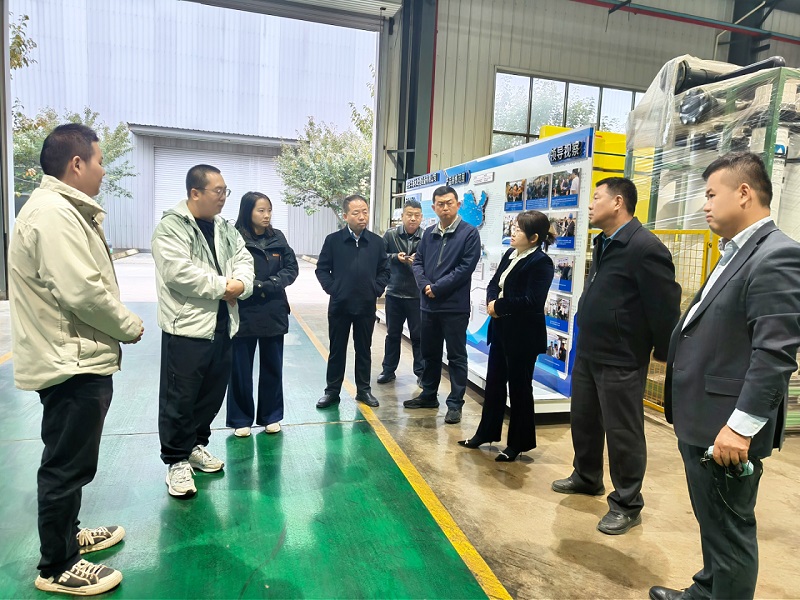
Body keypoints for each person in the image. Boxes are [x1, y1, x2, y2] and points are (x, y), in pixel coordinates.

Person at [649, 152, 800, 600]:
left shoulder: (776, 255)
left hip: (727, 427)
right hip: (706, 417)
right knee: (713, 522)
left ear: (745, 193)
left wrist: (741, 427)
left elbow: (775, 354)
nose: (705, 204)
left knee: (731, 533)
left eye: (712, 194)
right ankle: (706, 590)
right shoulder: (737, 251)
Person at [8, 124, 144, 596]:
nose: (104, 171)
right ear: (77, 164)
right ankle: (57, 565)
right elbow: (83, 292)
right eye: (100, 161)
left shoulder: (60, 209)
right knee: (66, 465)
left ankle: (69, 535)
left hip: (73, 355)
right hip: (70, 359)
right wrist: (128, 325)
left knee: (72, 458)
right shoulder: (54, 214)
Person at [551, 177, 681, 535]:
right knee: (584, 420)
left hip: (622, 356)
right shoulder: (605, 241)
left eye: (597, 197)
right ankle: (587, 476)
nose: (590, 204)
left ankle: (627, 503)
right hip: (590, 350)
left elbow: (665, 306)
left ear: (618, 202)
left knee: (623, 432)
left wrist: (663, 351)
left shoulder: (645, 247)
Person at [152, 164, 254, 498]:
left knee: (211, 394)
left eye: (226, 191)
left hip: (223, 324)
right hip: (187, 327)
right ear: (195, 193)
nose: (223, 197)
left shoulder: (225, 228)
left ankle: (195, 446)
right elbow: (178, 273)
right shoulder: (172, 227)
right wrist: (226, 286)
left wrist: (242, 284)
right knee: (180, 398)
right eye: (218, 191)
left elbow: (244, 259)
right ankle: (176, 461)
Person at [458, 211, 555, 461]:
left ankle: (518, 444)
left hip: (523, 336)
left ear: (534, 238)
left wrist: (499, 307)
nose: (513, 232)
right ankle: (486, 433)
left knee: (520, 389)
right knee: (494, 385)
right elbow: (494, 283)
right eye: (513, 227)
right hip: (500, 330)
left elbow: (533, 301)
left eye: (519, 229)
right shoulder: (511, 254)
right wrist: (492, 301)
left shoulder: (541, 262)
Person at [406, 185, 481, 424]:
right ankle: (429, 395)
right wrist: (424, 285)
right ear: (434, 207)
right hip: (428, 306)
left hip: (454, 307)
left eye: (449, 203)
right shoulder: (429, 233)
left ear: (458, 205)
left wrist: (436, 288)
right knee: (430, 353)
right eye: (440, 204)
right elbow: (417, 262)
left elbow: (465, 268)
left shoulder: (469, 234)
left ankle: (455, 403)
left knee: (456, 356)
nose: (445, 207)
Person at [227, 192, 298, 437]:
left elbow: (291, 268)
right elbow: (228, 268)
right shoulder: (234, 237)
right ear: (248, 211)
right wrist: (251, 286)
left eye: (269, 210)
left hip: (273, 310)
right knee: (240, 368)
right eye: (261, 210)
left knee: (272, 366)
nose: (266, 215)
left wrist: (271, 284)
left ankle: (271, 416)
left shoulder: (277, 237)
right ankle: (240, 419)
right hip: (243, 309)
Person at [315, 195, 390, 409]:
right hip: (340, 306)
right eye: (356, 213)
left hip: (365, 306)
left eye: (365, 211)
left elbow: (385, 270)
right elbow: (322, 269)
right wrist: (334, 289)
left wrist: (375, 289)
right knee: (337, 350)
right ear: (346, 216)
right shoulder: (333, 240)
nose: (362, 217)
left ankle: (363, 390)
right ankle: (332, 392)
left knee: (364, 350)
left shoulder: (376, 242)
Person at [377, 198, 425, 385]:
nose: (412, 219)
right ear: (402, 216)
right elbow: (380, 257)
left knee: (418, 337)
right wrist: (396, 257)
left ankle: (421, 373)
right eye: (409, 215)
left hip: (416, 296)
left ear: (421, 217)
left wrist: (418, 261)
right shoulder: (390, 235)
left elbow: (431, 262)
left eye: (416, 215)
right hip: (394, 294)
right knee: (393, 335)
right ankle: (388, 370)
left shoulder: (426, 237)